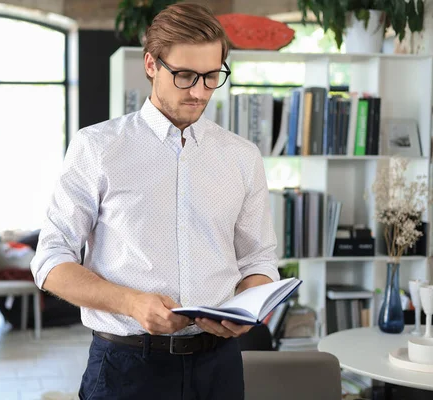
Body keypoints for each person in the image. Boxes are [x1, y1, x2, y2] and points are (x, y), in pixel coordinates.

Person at [30, 3, 279, 399]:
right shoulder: (97, 147)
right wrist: (131, 303)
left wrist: (246, 309)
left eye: (212, 76)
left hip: (220, 368)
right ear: (151, 65)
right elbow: (50, 261)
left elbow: (259, 260)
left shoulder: (242, 156)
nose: (199, 92)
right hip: (125, 367)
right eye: (184, 76)